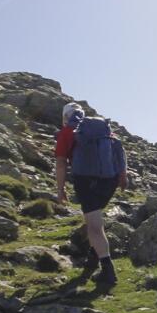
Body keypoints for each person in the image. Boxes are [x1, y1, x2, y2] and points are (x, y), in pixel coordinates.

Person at [55, 102, 127, 285]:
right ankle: (93, 259)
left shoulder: (67, 133)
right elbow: (118, 148)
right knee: (95, 219)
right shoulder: (101, 129)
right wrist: (122, 176)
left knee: (94, 226)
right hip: (109, 179)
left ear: (65, 117)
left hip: (86, 181)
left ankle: (108, 272)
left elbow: (61, 163)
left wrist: (60, 189)